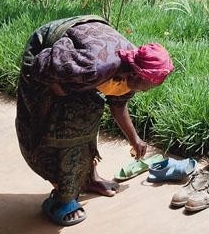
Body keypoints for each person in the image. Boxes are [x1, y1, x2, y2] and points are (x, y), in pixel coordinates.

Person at [16, 16, 175, 226]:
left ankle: (88, 178)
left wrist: (134, 139)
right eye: (151, 84)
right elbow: (42, 64)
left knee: (89, 110)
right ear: (138, 75)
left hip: (79, 54)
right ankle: (62, 197)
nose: (150, 89)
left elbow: (118, 105)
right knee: (54, 124)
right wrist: (63, 94)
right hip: (44, 49)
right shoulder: (94, 66)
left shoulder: (131, 68)